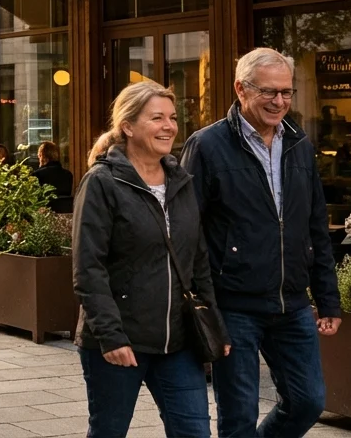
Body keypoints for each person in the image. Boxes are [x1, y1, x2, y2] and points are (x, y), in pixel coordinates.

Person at [181, 47, 341, 437]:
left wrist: (328, 296)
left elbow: (315, 225)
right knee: (238, 415)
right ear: (241, 89)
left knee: (308, 402)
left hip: (292, 304)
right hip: (234, 304)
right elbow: (187, 230)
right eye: (269, 92)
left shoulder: (299, 143)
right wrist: (198, 303)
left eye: (286, 92)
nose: (280, 101)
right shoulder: (207, 145)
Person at [74, 81, 228, 437]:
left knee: (194, 433)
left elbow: (198, 259)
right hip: (121, 340)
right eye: (156, 117)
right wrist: (111, 337)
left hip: (179, 342)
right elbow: (88, 269)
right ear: (128, 126)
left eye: (172, 118)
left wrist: (213, 322)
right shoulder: (102, 182)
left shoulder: (181, 180)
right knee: (108, 431)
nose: (169, 126)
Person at [35, 141, 75, 214]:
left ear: (41, 156)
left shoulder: (37, 175)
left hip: (44, 217)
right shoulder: (68, 175)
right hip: (66, 217)